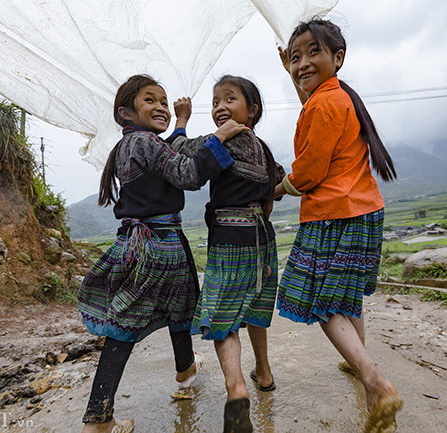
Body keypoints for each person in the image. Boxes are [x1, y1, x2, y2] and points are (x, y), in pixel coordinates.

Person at [77, 74, 249, 433]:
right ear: (125, 112)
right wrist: (218, 139)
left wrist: (182, 122)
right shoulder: (143, 141)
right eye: (149, 100)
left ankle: (185, 370)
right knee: (127, 325)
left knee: (176, 309)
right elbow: (185, 172)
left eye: (164, 102)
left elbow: (167, 156)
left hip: (145, 243)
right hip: (159, 244)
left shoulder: (134, 143)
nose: (160, 107)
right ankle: (97, 420)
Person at [274, 18, 403, 433]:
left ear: (338, 57)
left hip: (334, 214)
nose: (303, 63)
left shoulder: (325, 103)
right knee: (346, 298)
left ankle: (376, 381)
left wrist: (281, 187)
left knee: (322, 303)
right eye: (296, 58)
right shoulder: (334, 97)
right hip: (362, 209)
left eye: (314, 52)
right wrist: (292, 75)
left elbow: (309, 170)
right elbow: (312, 104)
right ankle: (364, 375)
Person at [169, 76, 284, 433]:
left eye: (229, 98)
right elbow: (276, 185)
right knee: (255, 307)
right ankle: (263, 374)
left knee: (223, 316)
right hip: (262, 238)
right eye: (215, 101)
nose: (219, 106)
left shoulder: (227, 139)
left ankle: (236, 387)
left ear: (252, 110)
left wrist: (183, 119)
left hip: (229, 238)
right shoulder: (263, 147)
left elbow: (180, 153)